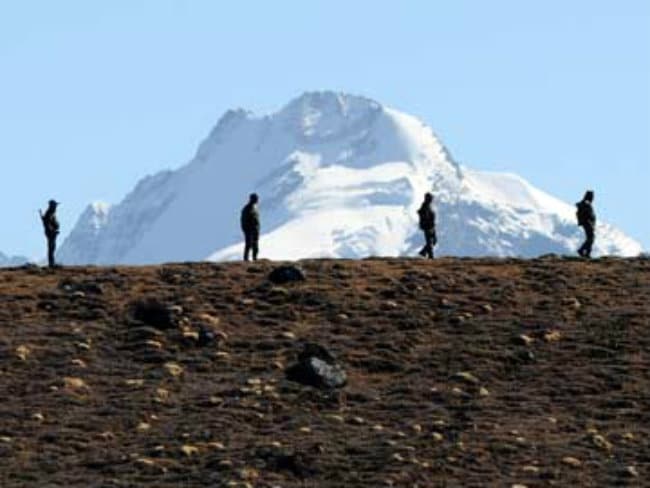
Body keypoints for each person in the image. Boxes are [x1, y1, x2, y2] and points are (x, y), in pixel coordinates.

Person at [39, 199, 60, 268]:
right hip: (51, 233)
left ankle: (52, 263)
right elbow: (47, 225)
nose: (56, 207)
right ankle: (51, 264)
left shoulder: (50, 213)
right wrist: (53, 231)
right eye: (55, 206)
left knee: (52, 248)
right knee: (51, 248)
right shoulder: (49, 213)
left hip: (51, 233)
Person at [576, 190, 596, 258]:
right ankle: (582, 250)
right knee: (591, 238)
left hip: (587, 223)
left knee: (590, 238)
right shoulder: (586, 204)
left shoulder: (585, 203)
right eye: (592, 196)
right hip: (587, 223)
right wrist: (590, 222)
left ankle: (587, 253)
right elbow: (588, 214)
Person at [241, 193, 260, 261]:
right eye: (256, 199)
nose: (257, 200)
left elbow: (256, 220)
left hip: (255, 230)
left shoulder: (255, 208)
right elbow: (243, 221)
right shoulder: (246, 209)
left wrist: (257, 229)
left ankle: (255, 258)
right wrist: (246, 230)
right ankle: (246, 259)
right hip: (249, 230)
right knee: (248, 244)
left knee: (255, 245)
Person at [417, 192, 436, 259]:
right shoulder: (425, 206)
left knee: (432, 241)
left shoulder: (427, 206)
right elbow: (425, 216)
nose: (431, 200)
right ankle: (430, 256)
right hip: (428, 226)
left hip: (430, 226)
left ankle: (423, 252)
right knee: (430, 242)